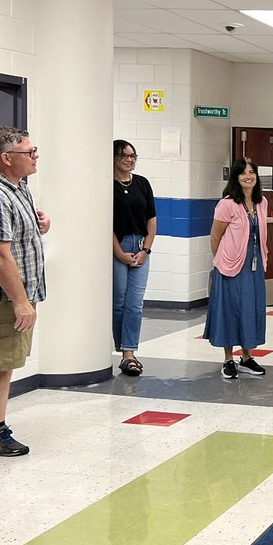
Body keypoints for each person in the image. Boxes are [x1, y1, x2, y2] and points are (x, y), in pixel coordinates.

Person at [0, 127, 50, 457]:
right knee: (2, 367)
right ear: (6, 159)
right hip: (1, 297)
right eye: (29, 152)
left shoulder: (16, 187)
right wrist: (20, 302)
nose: (35, 157)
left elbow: (15, 233)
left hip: (16, 294)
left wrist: (39, 224)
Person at [206, 158, 269, 380]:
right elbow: (215, 236)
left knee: (251, 308)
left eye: (252, 172)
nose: (248, 176)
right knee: (230, 309)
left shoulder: (262, 202)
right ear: (236, 177)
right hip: (231, 265)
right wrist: (221, 260)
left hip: (254, 264)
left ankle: (247, 357)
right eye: (243, 173)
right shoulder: (227, 204)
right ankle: (228, 359)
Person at [112, 139, 156, 376]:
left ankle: (129, 352)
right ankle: (122, 349)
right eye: (123, 156)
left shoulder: (142, 184)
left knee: (135, 303)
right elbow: (105, 222)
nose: (129, 160)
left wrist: (145, 250)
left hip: (140, 245)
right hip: (116, 246)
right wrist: (119, 253)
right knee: (119, 301)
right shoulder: (107, 185)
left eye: (132, 156)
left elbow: (152, 220)